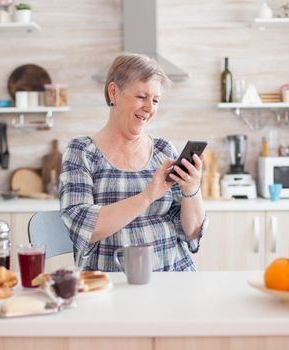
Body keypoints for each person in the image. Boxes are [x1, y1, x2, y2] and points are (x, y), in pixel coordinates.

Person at [59, 53, 207, 271]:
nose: (150, 107)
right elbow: (83, 227)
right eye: (141, 97)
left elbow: (192, 233)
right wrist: (147, 196)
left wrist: (192, 189)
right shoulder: (82, 152)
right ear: (114, 93)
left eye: (155, 100)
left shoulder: (163, 150)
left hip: (174, 276)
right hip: (110, 283)